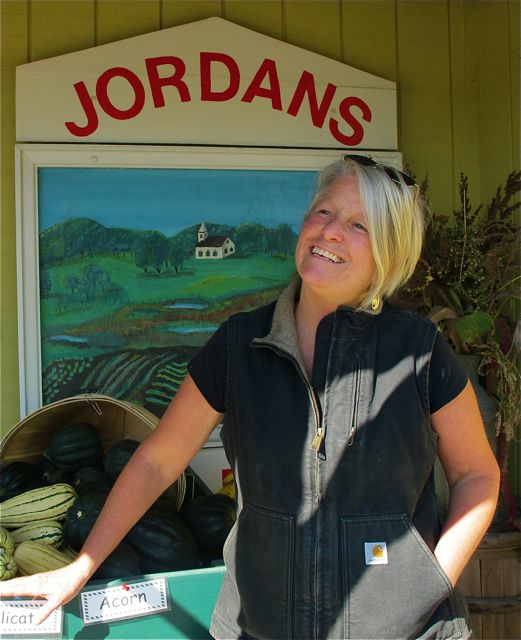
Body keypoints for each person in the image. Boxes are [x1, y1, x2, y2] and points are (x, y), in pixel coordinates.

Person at [0, 156, 500, 639]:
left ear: (388, 252)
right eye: (324, 212)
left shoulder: (418, 351)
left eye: (359, 225)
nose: (329, 231)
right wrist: (81, 567)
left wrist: (431, 581)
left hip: (404, 631)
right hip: (259, 627)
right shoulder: (240, 344)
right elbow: (156, 461)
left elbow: (477, 474)